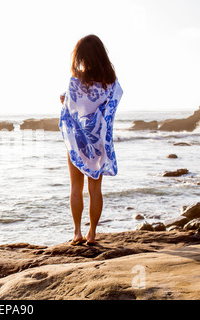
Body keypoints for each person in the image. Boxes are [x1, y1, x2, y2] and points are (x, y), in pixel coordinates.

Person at [58, 34, 123, 246]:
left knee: (75, 188)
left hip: (77, 141)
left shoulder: (75, 81)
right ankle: (92, 234)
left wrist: (63, 100)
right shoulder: (111, 82)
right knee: (95, 189)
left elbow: (70, 111)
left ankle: (77, 232)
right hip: (98, 142)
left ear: (82, 56)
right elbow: (108, 110)